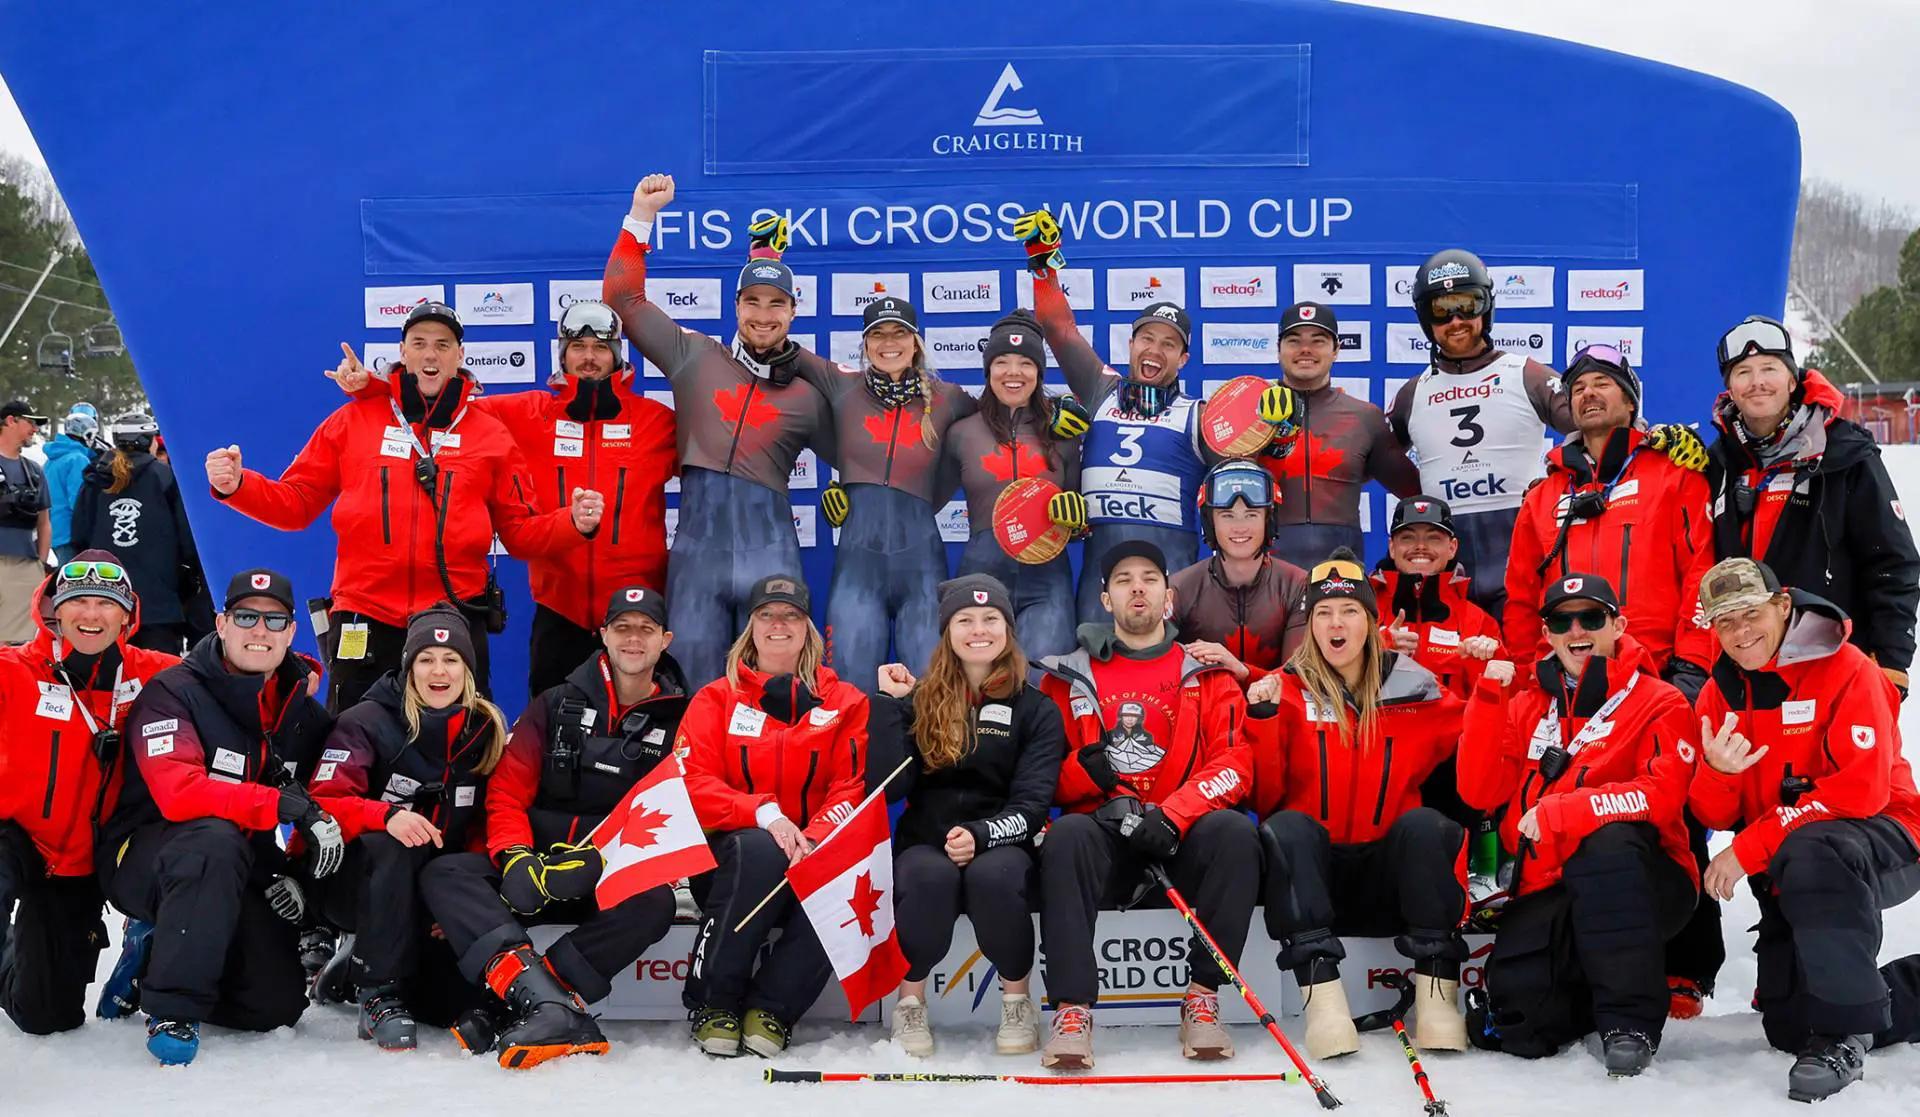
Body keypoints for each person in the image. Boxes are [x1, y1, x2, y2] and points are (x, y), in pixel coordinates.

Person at [208, 302, 603, 708]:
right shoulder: (352, 421)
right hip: (365, 615)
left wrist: (572, 523)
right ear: (402, 351)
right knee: (354, 740)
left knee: (460, 739)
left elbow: (519, 534)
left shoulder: (490, 434)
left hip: (452, 619)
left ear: (460, 355)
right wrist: (238, 486)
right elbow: (296, 504)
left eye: (442, 345)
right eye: (419, 343)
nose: (430, 354)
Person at [330, 301, 679, 698]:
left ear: (616, 355)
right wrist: (374, 390)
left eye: (600, 348)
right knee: (552, 723)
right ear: (562, 354)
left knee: (645, 718)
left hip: (636, 614)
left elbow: (712, 459)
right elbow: (442, 404)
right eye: (577, 347)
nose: (588, 358)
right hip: (560, 612)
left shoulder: (657, 422)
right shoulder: (528, 413)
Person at [419, 584, 688, 1068]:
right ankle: (549, 1005)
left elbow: (677, 815)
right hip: (536, 870)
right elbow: (506, 791)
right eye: (622, 628)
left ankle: (529, 1003)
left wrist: (599, 862)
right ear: (602, 634)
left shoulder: (682, 719)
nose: (633, 639)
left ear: (664, 640)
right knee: (446, 873)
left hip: (606, 872)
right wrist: (515, 858)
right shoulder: (555, 703)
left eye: (645, 629)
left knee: (655, 902)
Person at [1689, 558, 1920, 1102]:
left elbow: (1862, 792)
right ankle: (1850, 1009)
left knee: (1814, 847)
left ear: (1783, 605)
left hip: (1885, 836)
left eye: (1751, 613)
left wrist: (1751, 846)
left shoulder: (1848, 667)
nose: (1740, 632)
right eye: (1725, 621)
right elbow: (1713, 814)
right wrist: (1719, 772)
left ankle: (1844, 1034)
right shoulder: (1719, 691)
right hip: (1788, 864)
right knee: (1791, 1024)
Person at [1456, 573, 1699, 1076]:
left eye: (1591, 617)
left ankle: (1629, 1023)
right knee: (1522, 1026)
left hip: (1645, 880)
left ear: (1618, 625)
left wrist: (1565, 810)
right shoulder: (1526, 703)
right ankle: (1589, 989)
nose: (1576, 631)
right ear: (1546, 633)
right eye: (1560, 621)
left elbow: (1661, 795)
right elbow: (1478, 793)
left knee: (1607, 843)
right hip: (1549, 885)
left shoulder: (1661, 700)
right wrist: (1488, 695)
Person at [96, 568, 337, 1064]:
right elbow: (178, 794)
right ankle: (172, 1009)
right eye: (246, 617)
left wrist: (292, 873)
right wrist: (278, 804)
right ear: (221, 623)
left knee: (275, 1006)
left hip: (240, 861)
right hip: (146, 855)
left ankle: (157, 958)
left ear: (291, 632)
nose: (259, 631)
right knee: (212, 838)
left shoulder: (300, 710)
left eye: (274, 621)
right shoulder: (173, 692)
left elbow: (333, 793)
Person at [604, 175, 837, 688]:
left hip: (771, 558)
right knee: (692, 694)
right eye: (752, 301)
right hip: (697, 562)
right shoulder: (694, 357)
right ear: (735, 306)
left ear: (793, 311)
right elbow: (622, 298)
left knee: (778, 693)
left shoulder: (805, 394)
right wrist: (641, 215)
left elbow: (866, 455)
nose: (763, 315)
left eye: (776, 304)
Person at [1032, 540, 1258, 1068]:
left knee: (1235, 834)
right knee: (1067, 836)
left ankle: (1203, 997)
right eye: (1124, 580)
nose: (1138, 588)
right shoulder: (1065, 676)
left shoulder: (1207, 671)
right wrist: (1083, 774)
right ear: (1105, 600)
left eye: (1150, 579)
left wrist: (1173, 815)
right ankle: (1071, 1009)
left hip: (1178, 837)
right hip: (1104, 840)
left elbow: (1235, 764)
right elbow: (1040, 783)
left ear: (1168, 596)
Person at [1388, 251, 1707, 617]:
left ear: (1486, 307)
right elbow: (1368, 454)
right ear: (1424, 318)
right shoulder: (1413, 392)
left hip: (1518, 551)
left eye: (1467, 304)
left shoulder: (1525, 373)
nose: (1456, 320)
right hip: (1445, 561)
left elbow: (1599, 422)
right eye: (1441, 310)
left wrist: (1655, 439)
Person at [1243, 548, 1469, 1060]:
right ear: (1309, 625)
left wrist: (1488, 680)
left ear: (1370, 621)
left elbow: (1477, 755)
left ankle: (1438, 1000)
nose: (1336, 623)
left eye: (1349, 611)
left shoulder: (1414, 687)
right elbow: (1266, 799)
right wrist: (1263, 720)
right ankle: (1325, 1006)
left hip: (1390, 884)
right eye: (1323, 613)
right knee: (1288, 827)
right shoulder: (1286, 688)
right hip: (1315, 887)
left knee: (1427, 825)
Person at [868, 574, 1066, 1057]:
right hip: (926, 842)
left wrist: (981, 835)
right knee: (926, 876)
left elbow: (1033, 805)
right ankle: (910, 1004)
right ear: (948, 632)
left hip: (1003, 841)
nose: (979, 630)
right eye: (965, 620)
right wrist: (890, 707)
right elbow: (889, 788)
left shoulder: (1036, 709)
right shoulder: (919, 698)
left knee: (995, 877)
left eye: (990, 618)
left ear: (1008, 629)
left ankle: (1017, 1002)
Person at [676, 574, 868, 1057]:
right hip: (732, 864)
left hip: (809, 856)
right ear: (751, 627)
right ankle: (714, 1002)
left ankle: (773, 1009)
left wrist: (814, 836)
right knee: (761, 849)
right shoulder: (715, 698)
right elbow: (693, 783)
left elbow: (849, 785)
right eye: (767, 615)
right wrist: (763, 814)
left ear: (808, 629)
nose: (778, 624)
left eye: (790, 616)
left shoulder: (846, 701)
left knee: (846, 876)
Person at [307, 606, 510, 1050]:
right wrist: (385, 815)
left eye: (451, 659)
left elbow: (488, 822)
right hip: (355, 883)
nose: (439, 671)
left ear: (467, 669)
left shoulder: (485, 730)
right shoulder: (365, 720)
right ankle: (376, 992)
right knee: (394, 843)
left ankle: (350, 967)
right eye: (426, 659)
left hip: (431, 893)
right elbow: (323, 801)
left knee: (449, 1004)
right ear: (408, 666)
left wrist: (461, 903)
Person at [1012, 209, 1226, 624]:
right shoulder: (1100, 389)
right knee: (1093, 663)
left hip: (1168, 588)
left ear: (1183, 359)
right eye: (1147, 338)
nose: (1154, 350)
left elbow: (1244, 476)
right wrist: (1043, 265)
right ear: (1130, 344)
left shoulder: (1199, 416)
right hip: (1100, 588)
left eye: (1168, 345)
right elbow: (1058, 328)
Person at [0, 552, 177, 1034]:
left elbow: (229, 668)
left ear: (127, 615)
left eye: (106, 603)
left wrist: (296, 668)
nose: (91, 614)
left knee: (48, 1016)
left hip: (85, 860)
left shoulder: (156, 674)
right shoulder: (14, 669)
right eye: (78, 601)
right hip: (17, 836)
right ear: (54, 610)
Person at [1703, 316, 1920, 693]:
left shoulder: (1844, 453)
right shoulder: (1719, 461)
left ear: (1792, 380)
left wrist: (1891, 660)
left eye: (1769, 368)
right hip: (1747, 666)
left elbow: (1892, 563)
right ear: (1730, 390)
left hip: (1835, 665)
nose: (1757, 382)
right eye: (1743, 372)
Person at [1505, 345, 1716, 694]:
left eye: (1602, 383)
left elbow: (1702, 573)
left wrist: (1693, 664)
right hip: (1564, 682)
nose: (1588, 393)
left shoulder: (1675, 475)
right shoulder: (1543, 496)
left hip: (1657, 677)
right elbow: (1521, 598)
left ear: (1631, 402)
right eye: (1578, 388)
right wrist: (1529, 671)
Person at [800, 295, 977, 694]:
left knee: (931, 693)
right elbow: (776, 349)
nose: (889, 342)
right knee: (851, 691)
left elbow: (1001, 422)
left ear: (916, 341)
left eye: (899, 333)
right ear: (865, 344)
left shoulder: (949, 398)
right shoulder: (842, 385)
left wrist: (1052, 419)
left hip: (922, 572)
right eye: (877, 334)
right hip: (857, 572)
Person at [940, 310, 1085, 660]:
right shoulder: (962, 433)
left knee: (1042, 680)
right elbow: (922, 497)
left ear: (1039, 372)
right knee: (979, 683)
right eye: (1002, 362)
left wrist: (1077, 520)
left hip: (1047, 580)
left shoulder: (1063, 433)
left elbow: (1079, 517)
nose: (1013, 372)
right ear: (988, 369)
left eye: (1026, 363)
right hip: (980, 577)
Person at [1259, 302, 1420, 569]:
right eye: (1294, 341)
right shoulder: (1249, 413)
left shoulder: (1365, 417)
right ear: (1279, 349)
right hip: (1265, 571)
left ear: (1336, 350)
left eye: (1318, 341)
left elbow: (1418, 494)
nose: (1305, 350)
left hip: (1342, 571)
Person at [71, 413, 209, 655]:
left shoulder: (95, 479)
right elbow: (188, 539)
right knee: (159, 672)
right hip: (158, 604)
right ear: (148, 440)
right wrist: (189, 579)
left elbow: (80, 535)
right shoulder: (166, 476)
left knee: (109, 672)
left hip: (106, 598)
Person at [1171, 459, 1308, 685]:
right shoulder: (1179, 588)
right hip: (1204, 704)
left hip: (1276, 705)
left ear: (1269, 520)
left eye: (1251, 514)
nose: (1240, 527)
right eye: (1227, 515)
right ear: (1210, 523)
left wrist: (1242, 671)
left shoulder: (1298, 585)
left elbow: (1298, 680)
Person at [1371, 495, 1503, 699]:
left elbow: (1499, 701)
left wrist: (1484, 660)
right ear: (1392, 548)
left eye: (1433, 538)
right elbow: (1335, 679)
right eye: (1408, 538)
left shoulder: (1478, 622)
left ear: (1452, 548)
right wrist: (1378, 648)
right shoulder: (1362, 612)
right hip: (1377, 720)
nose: (1420, 546)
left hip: (1454, 721)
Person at [0, 401, 52, 644]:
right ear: (11, 421)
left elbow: (44, 522)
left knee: (20, 643)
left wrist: (40, 564)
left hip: (24, 566)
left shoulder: (33, 471)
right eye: (30, 422)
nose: (35, 429)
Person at [43, 403, 101, 564]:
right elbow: (79, 500)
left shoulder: (52, 460)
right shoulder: (78, 459)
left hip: (54, 531)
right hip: (72, 533)